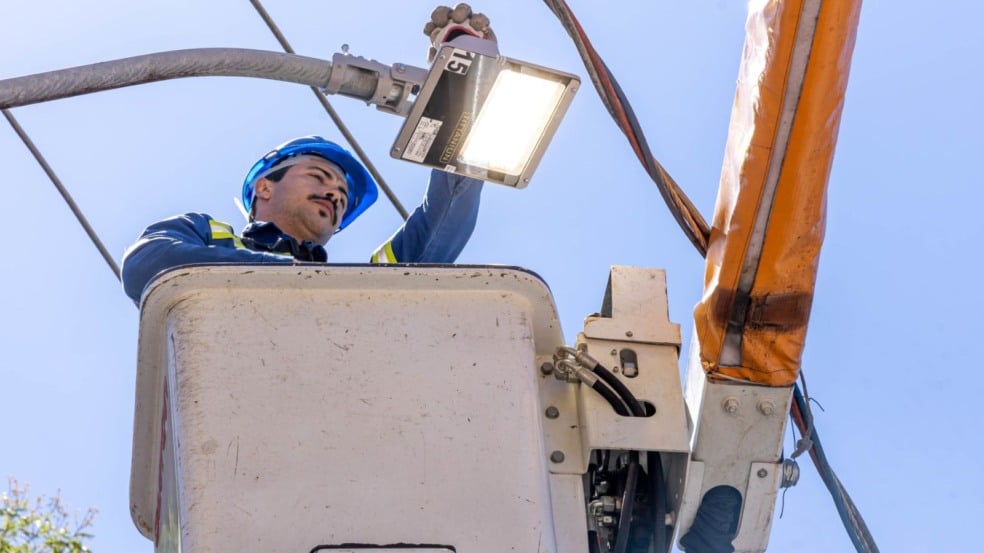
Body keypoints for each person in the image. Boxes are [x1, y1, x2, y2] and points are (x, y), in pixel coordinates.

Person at [120, 136, 483, 303]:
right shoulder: (203, 233)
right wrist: (275, 271)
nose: (334, 195)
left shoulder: (363, 290)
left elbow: (444, 219)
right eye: (318, 177)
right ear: (265, 187)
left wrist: (465, 99)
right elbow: (147, 263)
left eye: (342, 197)